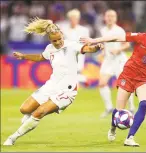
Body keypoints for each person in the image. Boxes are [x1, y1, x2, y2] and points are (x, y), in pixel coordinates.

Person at [3, 17, 103, 146]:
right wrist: (23, 56)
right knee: (24, 109)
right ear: (50, 40)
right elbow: (40, 57)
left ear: (62, 35)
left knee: (39, 112)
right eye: (54, 40)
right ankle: (30, 118)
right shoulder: (50, 48)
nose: (58, 42)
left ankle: (13, 137)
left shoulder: (72, 46)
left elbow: (88, 49)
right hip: (51, 86)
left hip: (67, 91)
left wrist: (97, 47)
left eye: (59, 39)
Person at [97, 9, 135, 118]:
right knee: (102, 83)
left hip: (119, 60)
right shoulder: (103, 30)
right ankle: (109, 108)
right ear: (105, 17)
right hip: (108, 60)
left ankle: (131, 107)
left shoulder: (119, 30)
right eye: (108, 16)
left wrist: (118, 50)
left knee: (124, 86)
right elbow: (105, 44)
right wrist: (102, 53)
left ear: (115, 18)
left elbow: (127, 45)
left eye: (112, 16)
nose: (110, 18)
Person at [56, 9, 90, 83]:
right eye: (71, 19)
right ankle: (83, 79)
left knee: (73, 75)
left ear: (78, 19)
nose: (73, 20)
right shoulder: (64, 29)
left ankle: (82, 79)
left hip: (79, 55)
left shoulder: (84, 30)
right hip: (66, 55)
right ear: (69, 19)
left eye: (75, 19)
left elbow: (87, 43)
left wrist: (85, 50)